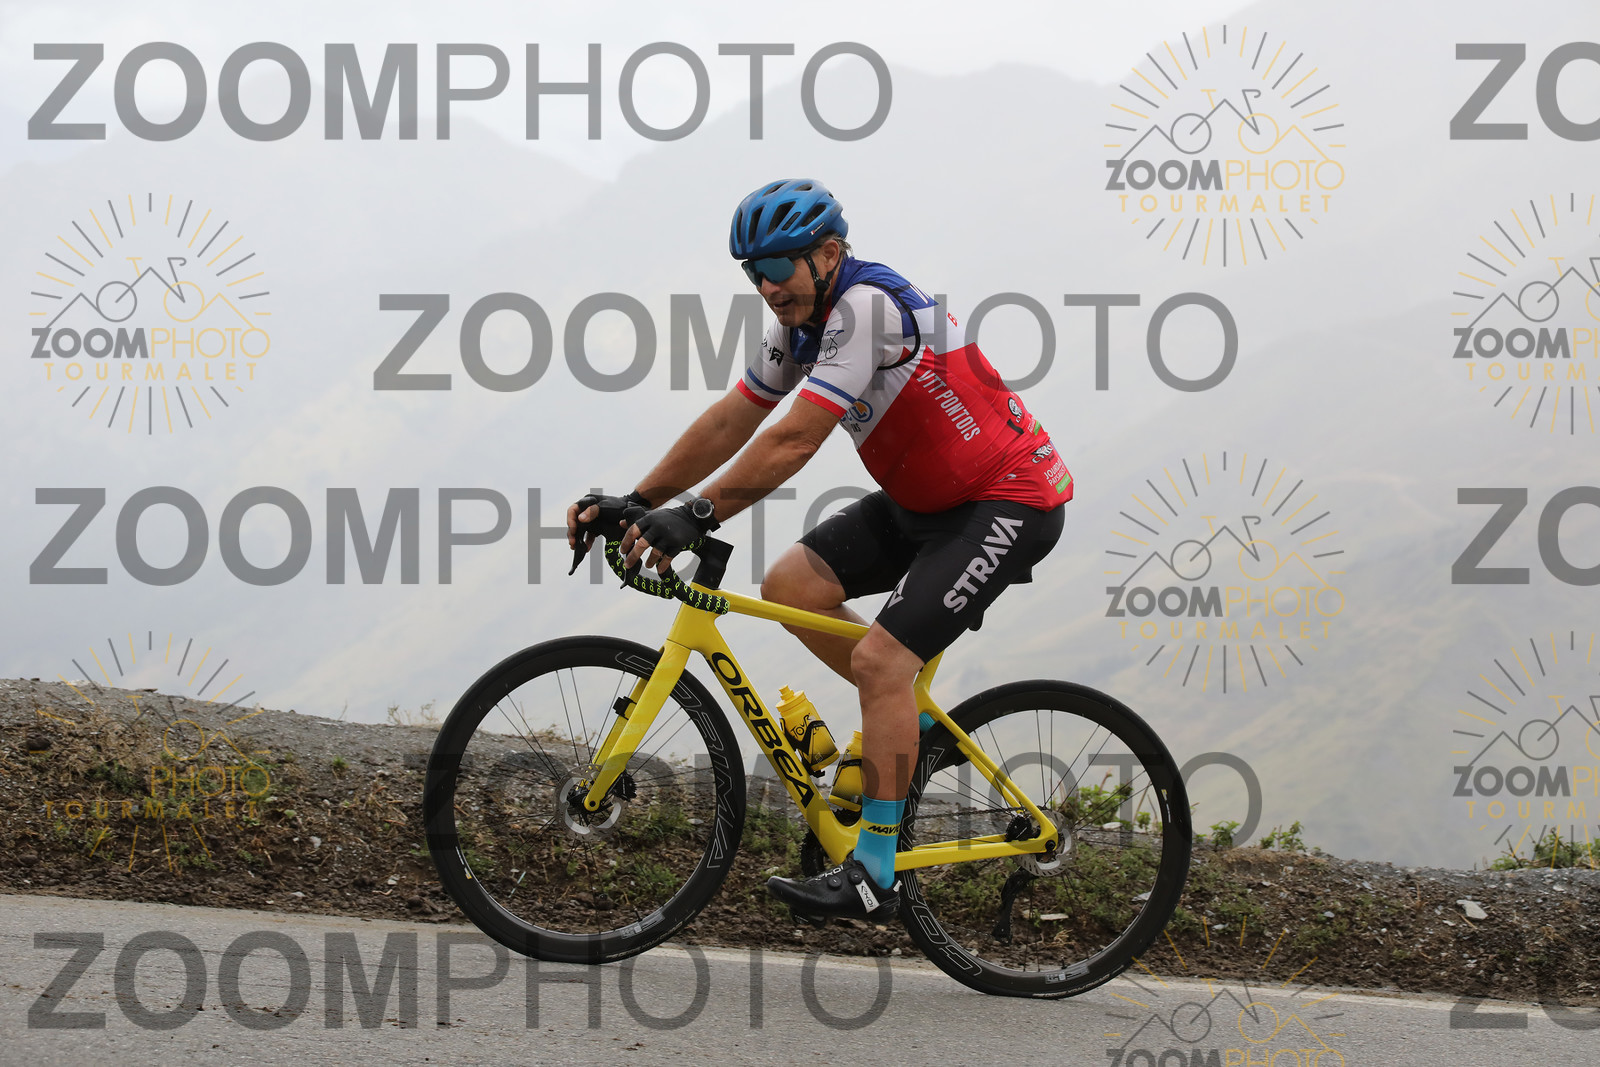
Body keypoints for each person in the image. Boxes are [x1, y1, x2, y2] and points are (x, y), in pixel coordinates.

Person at [567, 178, 1072, 920]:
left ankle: (875, 873)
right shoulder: (800, 322)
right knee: (790, 586)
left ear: (828, 254)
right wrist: (641, 500)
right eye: (753, 272)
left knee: (880, 664)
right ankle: (907, 728)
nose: (766, 287)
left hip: (1007, 502)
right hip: (923, 502)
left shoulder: (865, 309)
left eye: (778, 267)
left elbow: (795, 440)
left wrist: (697, 514)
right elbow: (735, 418)